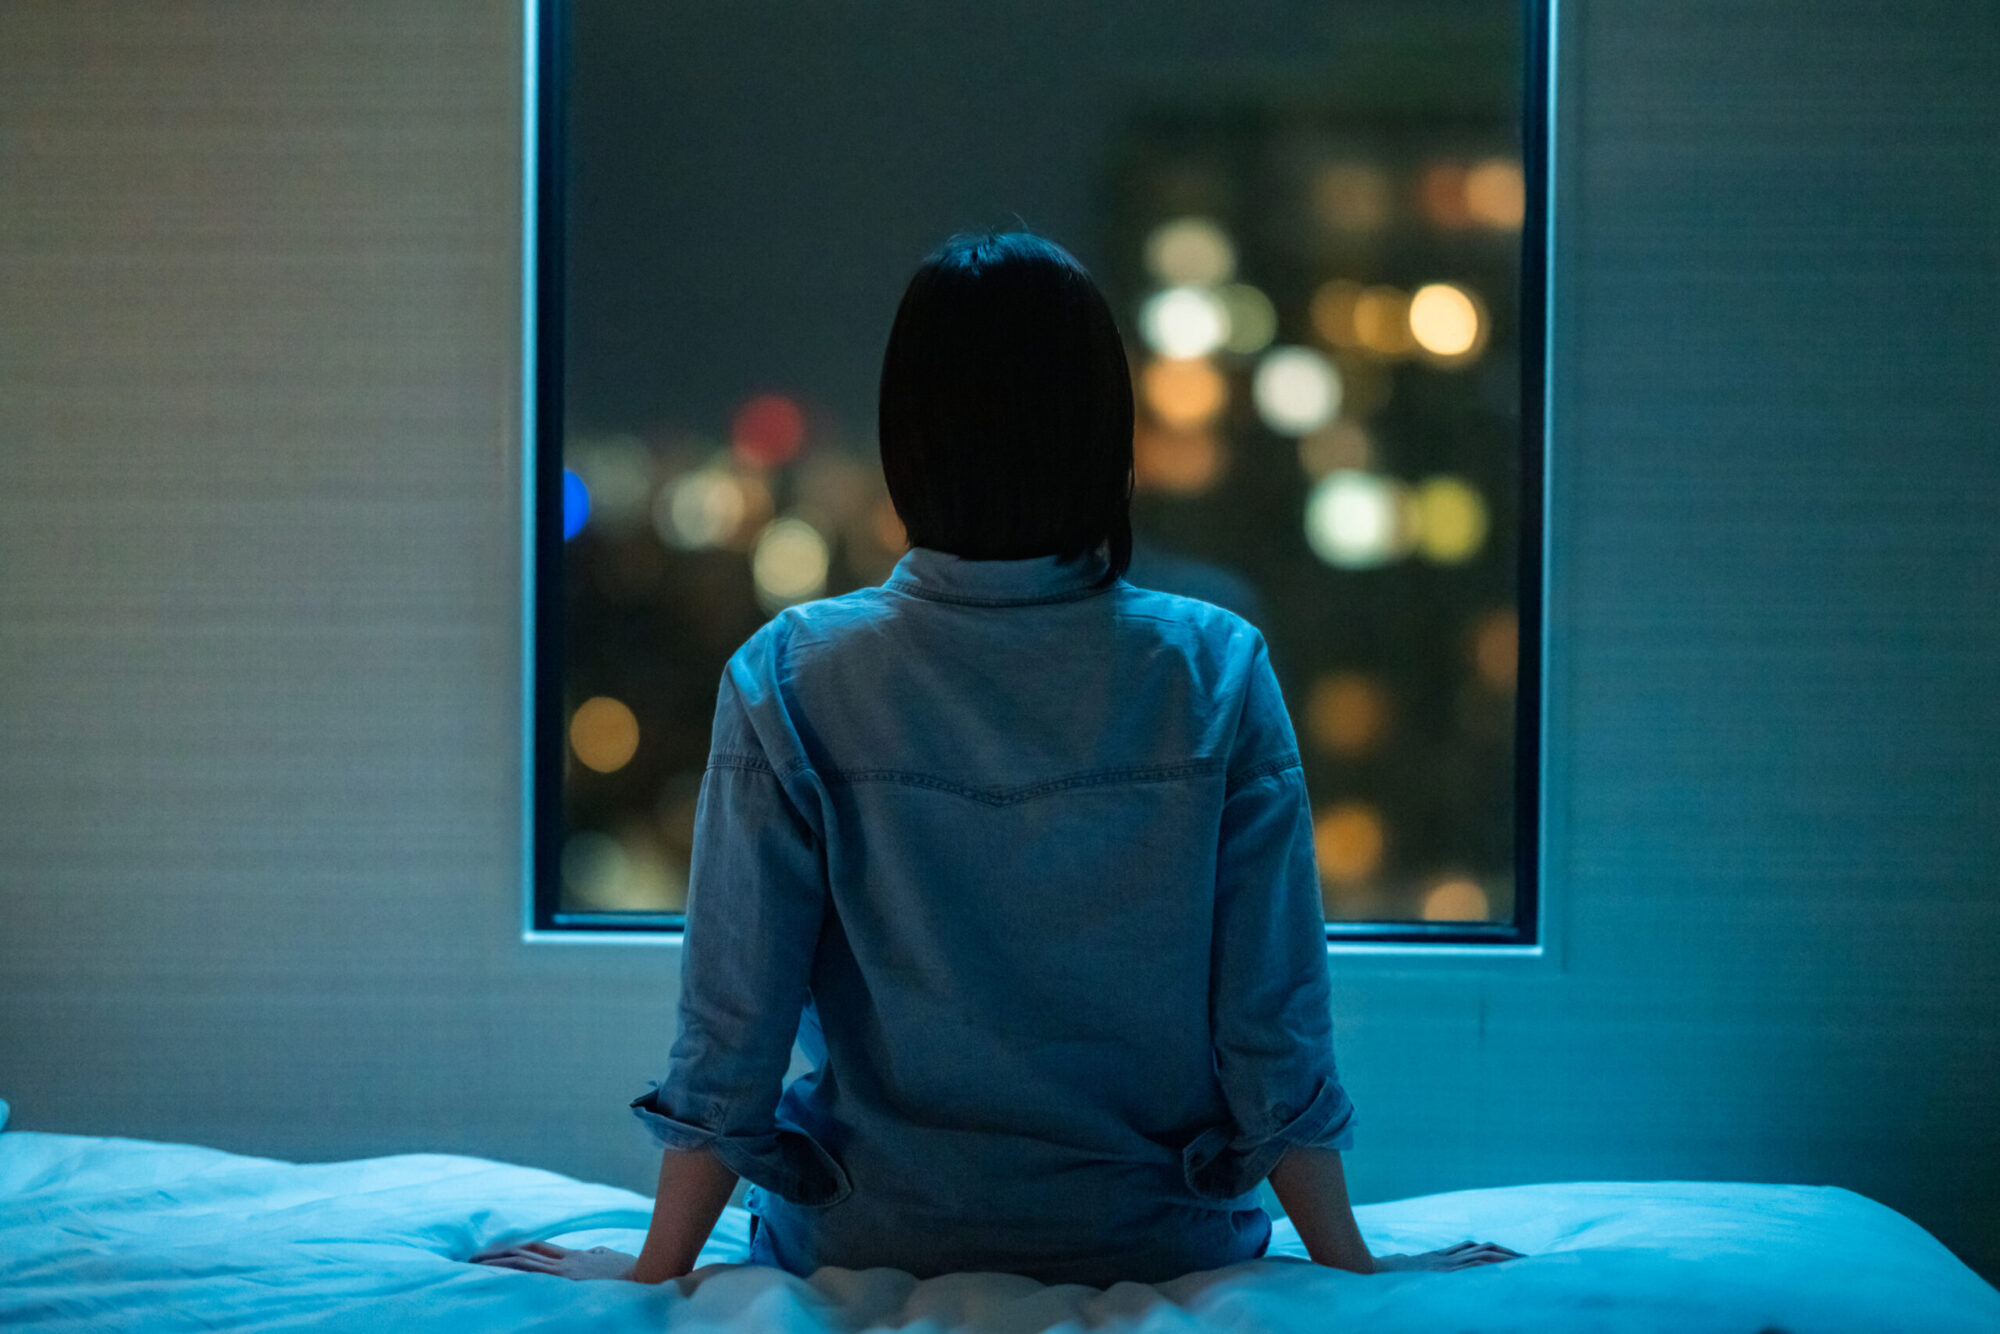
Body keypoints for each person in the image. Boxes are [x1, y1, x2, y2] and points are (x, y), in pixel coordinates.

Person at [472, 230, 1522, 1286]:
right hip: (1151, 1235)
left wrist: (656, 1263)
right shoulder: (1212, 667)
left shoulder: (789, 674)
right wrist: (1350, 1257)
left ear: (906, 440)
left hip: (871, 1230)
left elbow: (729, 1030)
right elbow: (1270, 1026)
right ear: (1104, 432)